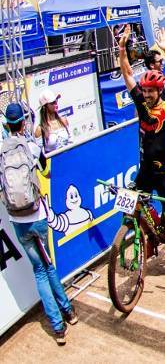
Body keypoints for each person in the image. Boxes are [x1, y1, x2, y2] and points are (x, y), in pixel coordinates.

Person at [117, 26, 165, 284]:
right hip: (144, 171)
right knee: (134, 206)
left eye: (151, 91)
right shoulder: (142, 105)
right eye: (145, 91)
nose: (146, 94)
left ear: (158, 92)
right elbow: (127, 74)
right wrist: (121, 49)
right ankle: (150, 238)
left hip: (163, 174)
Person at [1, 102, 78, 345]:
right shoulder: (32, 147)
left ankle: (59, 324)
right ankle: (66, 314)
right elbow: (46, 172)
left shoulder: (1, 151)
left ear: (6, 125)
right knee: (48, 267)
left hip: (17, 221)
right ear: (23, 123)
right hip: (38, 216)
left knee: (39, 270)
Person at [34, 89, 71, 154]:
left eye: (56, 100)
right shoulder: (40, 129)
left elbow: (71, 142)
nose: (56, 104)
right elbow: (39, 155)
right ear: (45, 106)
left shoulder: (64, 120)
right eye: (52, 102)